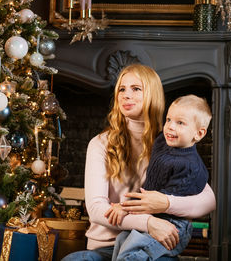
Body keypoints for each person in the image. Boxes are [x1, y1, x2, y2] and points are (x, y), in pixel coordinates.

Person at [61, 64, 216, 261]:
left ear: (152, 94)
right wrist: (149, 222)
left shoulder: (171, 140)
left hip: (149, 245)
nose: (126, 95)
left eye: (136, 89)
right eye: (122, 89)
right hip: (106, 247)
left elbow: (209, 200)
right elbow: (96, 210)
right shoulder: (100, 143)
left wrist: (165, 203)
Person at [107, 94, 212, 261]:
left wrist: (124, 207)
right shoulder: (163, 140)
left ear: (198, 134)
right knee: (121, 240)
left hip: (173, 226)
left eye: (180, 123)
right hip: (152, 217)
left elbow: (154, 202)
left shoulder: (190, 167)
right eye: (169, 119)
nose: (170, 127)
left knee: (131, 255)